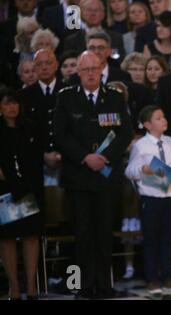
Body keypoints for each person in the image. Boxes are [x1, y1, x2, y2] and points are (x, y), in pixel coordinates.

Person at [54, 51, 133, 299]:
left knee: (104, 233)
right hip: (78, 177)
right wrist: (85, 157)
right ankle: (84, 286)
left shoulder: (115, 98)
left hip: (106, 176)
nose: (90, 73)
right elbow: (60, 135)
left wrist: (104, 157)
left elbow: (125, 133)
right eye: (85, 69)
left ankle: (105, 285)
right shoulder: (66, 98)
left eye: (94, 69)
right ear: (78, 73)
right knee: (83, 234)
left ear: (102, 70)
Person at [125, 105, 171, 296]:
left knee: (168, 237)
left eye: (164, 117)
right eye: (158, 118)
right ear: (147, 125)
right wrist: (143, 169)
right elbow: (129, 171)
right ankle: (152, 278)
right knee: (151, 238)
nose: (164, 120)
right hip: (151, 197)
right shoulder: (140, 145)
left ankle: (168, 276)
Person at [0, 88, 44, 300]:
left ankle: (32, 284)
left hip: (28, 187)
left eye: (15, 103)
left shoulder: (29, 127)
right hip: (5, 190)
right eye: (7, 103)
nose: (12, 107)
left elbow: (36, 158)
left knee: (30, 235)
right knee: (7, 238)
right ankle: (14, 286)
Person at [20, 48, 63, 186]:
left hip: (67, 162)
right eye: (39, 64)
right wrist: (42, 155)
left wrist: (61, 154)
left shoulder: (69, 91)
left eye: (48, 63)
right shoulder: (23, 96)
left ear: (56, 65)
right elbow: (22, 132)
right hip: (35, 163)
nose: (44, 67)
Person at [63, 0, 125, 65]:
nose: (93, 14)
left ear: (103, 14)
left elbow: (118, 61)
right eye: (89, 10)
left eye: (96, 10)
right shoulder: (71, 41)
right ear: (81, 14)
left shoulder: (116, 37)